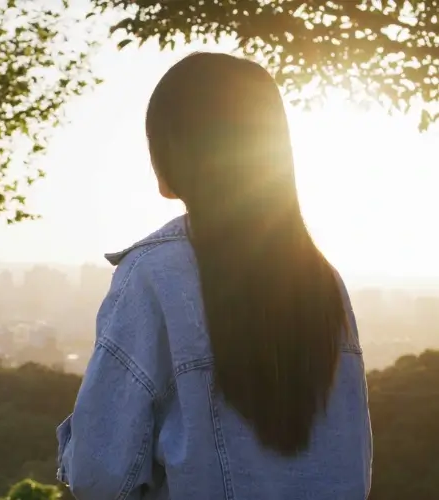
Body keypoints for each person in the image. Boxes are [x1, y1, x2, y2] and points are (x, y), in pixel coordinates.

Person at [56, 52, 372, 500]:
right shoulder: (323, 282)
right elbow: (350, 459)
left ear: (171, 151)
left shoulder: (153, 275)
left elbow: (101, 475)